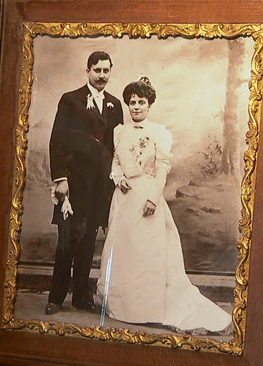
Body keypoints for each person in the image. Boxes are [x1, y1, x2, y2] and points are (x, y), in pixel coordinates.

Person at [95, 76, 231, 334]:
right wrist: (119, 178)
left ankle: (149, 308)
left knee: (148, 253)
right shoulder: (119, 131)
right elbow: (115, 162)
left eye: (141, 102)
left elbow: (162, 169)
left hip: (147, 196)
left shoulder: (159, 132)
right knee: (125, 250)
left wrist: (152, 199)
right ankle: (126, 307)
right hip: (123, 199)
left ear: (149, 105)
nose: (136, 107)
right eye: (132, 102)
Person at [45, 51, 124, 315]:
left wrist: (113, 184)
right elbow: (57, 140)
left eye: (106, 71)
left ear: (110, 72)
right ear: (87, 71)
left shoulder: (114, 104)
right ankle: (56, 297)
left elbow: (117, 147)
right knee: (67, 240)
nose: (102, 76)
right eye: (97, 70)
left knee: (88, 241)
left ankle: (81, 296)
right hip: (73, 184)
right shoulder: (70, 100)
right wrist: (61, 179)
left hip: (99, 186)